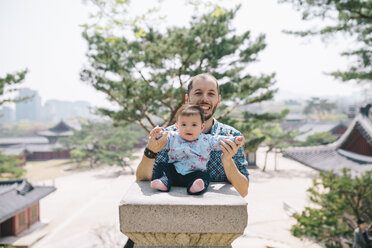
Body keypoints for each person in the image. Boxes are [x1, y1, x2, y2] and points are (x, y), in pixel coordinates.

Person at [136, 73, 249, 197]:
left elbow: (243, 191)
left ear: (218, 100)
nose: (204, 99)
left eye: (211, 94)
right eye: (198, 93)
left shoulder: (230, 136)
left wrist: (227, 160)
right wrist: (150, 151)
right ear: (187, 98)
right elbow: (142, 178)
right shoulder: (168, 135)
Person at [150, 104, 245, 195]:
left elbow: (220, 140)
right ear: (177, 126)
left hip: (194, 173)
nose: (188, 128)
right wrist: (157, 133)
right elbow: (160, 136)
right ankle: (163, 182)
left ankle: (195, 187)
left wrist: (235, 139)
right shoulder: (172, 136)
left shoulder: (206, 140)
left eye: (194, 125)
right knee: (161, 166)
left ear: (202, 127)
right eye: (183, 124)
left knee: (205, 175)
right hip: (174, 171)